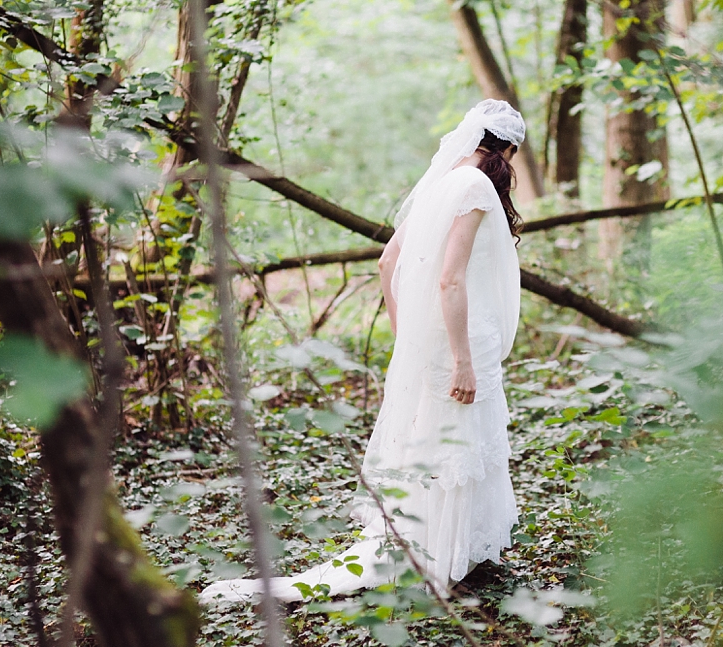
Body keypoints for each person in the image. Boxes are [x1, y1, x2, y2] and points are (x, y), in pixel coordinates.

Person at [200, 99, 524, 604]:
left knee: (438, 440)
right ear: (506, 149)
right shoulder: (476, 187)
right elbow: (450, 278)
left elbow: (387, 260)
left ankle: (451, 552)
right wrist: (460, 356)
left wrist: (410, 336)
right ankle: (447, 562)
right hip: (463, 337)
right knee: (460, 443)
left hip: (436, 336)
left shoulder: (439, 185)